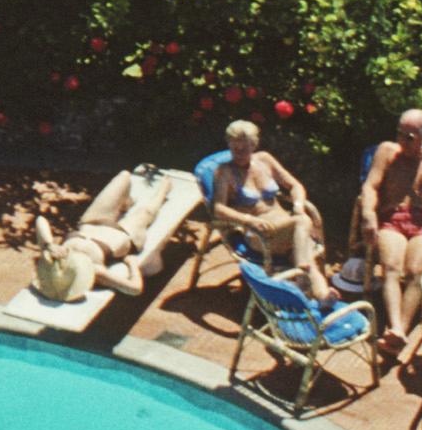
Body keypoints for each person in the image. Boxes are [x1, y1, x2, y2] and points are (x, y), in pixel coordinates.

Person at [354, 108, 422, 346]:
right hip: (393, 219)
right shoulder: (387, 152)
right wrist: (368, 214)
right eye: (400, 134)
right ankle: (396, 327)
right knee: (392, 267)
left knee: (415, 271)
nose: (401, 141)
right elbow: (370, 186)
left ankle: (398, 331)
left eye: (409, 137)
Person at [23, 165, 203, 307]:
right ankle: (164, 190)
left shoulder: (54, 259)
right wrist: (132, 265)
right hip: (125, 234)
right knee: (151, 206)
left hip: (92, 220)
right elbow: (135, 289)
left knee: (124, 177)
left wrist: (48, 245)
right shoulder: (96, 271)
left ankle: (124, 203)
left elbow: (40, 220)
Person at [201, 120, 317, 277]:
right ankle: (302, 270)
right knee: (303, 222)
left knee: (306, 258)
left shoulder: (265, 159)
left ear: (254, 145)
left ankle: (319, 294)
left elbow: (295, 185)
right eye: (235, 148)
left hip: (286, 228)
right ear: (229, 145)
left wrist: (298, 206)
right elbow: (218, 208)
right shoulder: (224, 172)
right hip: (260, 234)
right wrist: (249, 220)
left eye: (245, 148)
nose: (240, 153)